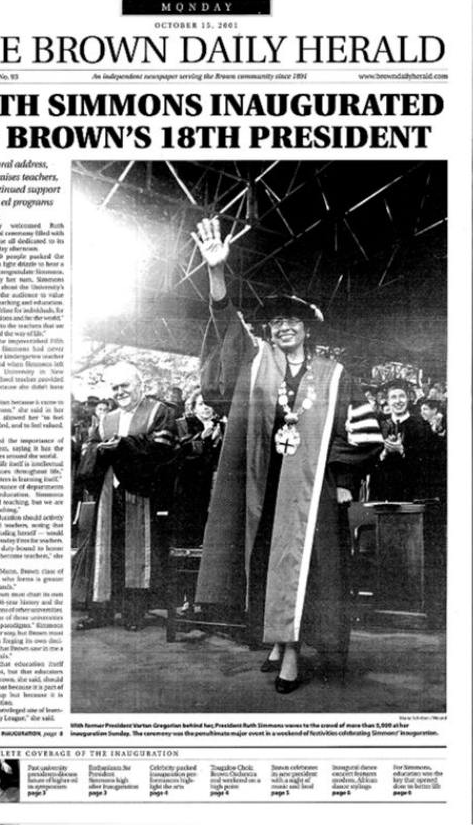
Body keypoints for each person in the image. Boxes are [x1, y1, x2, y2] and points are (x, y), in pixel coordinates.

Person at [191, 219, 379, 694]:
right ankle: (276, 639)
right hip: (268, 483)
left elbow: (362, 433)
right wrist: (218, 275)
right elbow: (225, 326)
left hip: (313, 491)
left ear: (306, 328)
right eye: (276, 321)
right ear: (270, 331)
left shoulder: (334, 374)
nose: (284, 326)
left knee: (303, 566)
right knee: (267, 559)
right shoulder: (257, 365)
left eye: (293, 320)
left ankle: (291, 650)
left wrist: (339, 475)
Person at [72, 361, 178, 631]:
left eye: (125, 385)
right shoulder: (107, 419)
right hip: (109, 491)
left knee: (137, 550)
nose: (120, 391)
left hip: (141, 490)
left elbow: (163, 447)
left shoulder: (158, 411)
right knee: (107, 549)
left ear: (140, 385)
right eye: (115, 387)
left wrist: (125, 446)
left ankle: (135, 612)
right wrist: (101, 450)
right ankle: (102, 611)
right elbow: (90, 447)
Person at [371, 378, 444, 503]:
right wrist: (384, 453)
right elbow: (371, 463)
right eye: (393, 397)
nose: (398, 401)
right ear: (387, 401)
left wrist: (402, 450)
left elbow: (430, 463)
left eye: (402, 396)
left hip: (413, 494)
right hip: (385, 494)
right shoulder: (379, 426)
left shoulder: (422, 426)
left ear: (408, 399)